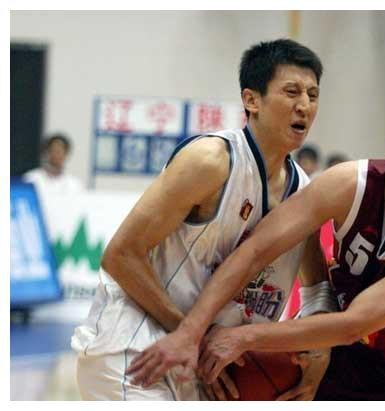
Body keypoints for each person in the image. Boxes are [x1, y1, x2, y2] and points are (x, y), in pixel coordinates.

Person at [127, 110, 385, 400]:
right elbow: (257, 248)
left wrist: (243, 337)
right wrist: (192, 330)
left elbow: (353, 325)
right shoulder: (350, 183)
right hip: (315, 346)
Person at [71, 38, 333, 400]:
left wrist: (321, 348)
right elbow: (121, 255)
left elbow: (318, 288)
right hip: (136, 350)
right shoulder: (211, 161)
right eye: (291, 92)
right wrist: (190, 335)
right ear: (251, 100)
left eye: (313, 95)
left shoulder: (304, 193)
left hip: (205, 364)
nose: (304, 105)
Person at [23, 133, 83, 198]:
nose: (56, 155)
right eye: (54, 150)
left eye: (59, 151)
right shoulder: (31, 179)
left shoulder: (74, 184)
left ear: (66, 154)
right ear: (47, 152)